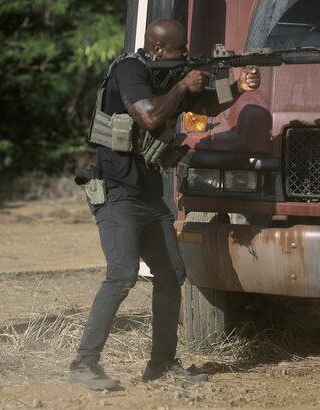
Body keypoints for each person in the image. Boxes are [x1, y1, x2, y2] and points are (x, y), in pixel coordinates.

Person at [69, 19, 261, 390]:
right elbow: (150, 115)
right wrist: (180, 85)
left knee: (172, 274)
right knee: (122, 274)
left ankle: (161, 364)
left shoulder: (168, 77)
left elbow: (203, 106)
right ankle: (83, 364)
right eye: (179, 50)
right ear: (157, 51)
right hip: (116, 192)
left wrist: (238, 86)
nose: (185, 55)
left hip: (147, 194)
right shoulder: (129, 71)